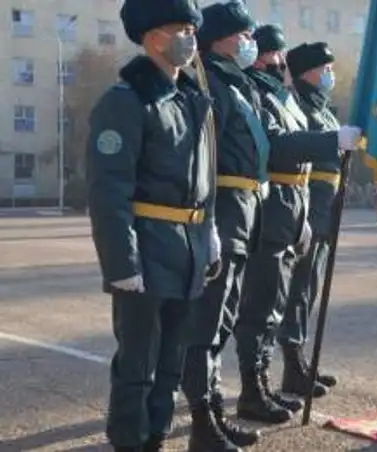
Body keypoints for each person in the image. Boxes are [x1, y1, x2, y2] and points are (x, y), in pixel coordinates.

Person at [86, 1, 216, 450]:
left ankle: (155, 438)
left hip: (188, 249)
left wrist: (210, 234)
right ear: (152, 36)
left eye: (192, 30)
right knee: (138, 365)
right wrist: (121, 263)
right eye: (180, 29)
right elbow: (109, 190)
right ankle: (129, 441)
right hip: (146, 248)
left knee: (171, 363)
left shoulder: (191, 99)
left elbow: (205, 180)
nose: (190, 39)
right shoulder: (125, 102)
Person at [235, 24, 363, 420]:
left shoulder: (293, 101)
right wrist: (333, 141)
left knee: (292, 295)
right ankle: (270, 378)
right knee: (271, 300)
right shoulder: (269, 97)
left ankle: (283, 371)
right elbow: (282, 147)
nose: (278, 62)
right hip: (279, 205)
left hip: (305, 206)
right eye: (273, 54)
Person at [180, 1, 271, 450]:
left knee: (222, 322)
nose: (250, 42)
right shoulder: (208, 81)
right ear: (219, 39)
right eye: (244, 35)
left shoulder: (237, 83)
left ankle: (213, 410)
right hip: (223, 212)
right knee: (205, 326)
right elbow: (202, 159)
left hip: (243, 213)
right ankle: (202, 422)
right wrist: (209, 220)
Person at [275, 41, 343, 399]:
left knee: (310, 288)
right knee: (299, 289)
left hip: (326, 206)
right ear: (307, 72)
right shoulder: (295, 104)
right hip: (308, 205)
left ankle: (302, 361)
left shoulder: (322, 108)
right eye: (325, 69)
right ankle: (293, 367)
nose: (330, 74)